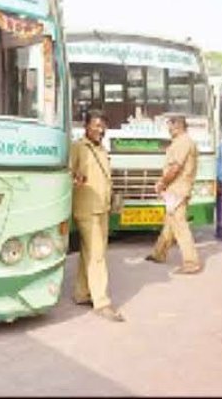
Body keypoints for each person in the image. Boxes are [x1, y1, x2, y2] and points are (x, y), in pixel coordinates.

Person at [69, 109, 125, 322]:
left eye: (102, 126)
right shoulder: (78, 147)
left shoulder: (102, 149)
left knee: (90, 252)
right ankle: (102, 302)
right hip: (86, 208)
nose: (99, 130)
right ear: (86, 127)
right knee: (97, 255)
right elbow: (67, 171)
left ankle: (82, 293)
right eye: (95, 126)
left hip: (102, 208)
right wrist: (75, 178)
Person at [146, 115, 202, 274]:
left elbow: (175, 168)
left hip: (177, 189)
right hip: (178, 188)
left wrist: (162, 183)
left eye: (170, 126)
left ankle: (191, 262)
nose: (169, 130)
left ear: (177, 126)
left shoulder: (183, 142)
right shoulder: (183, 141)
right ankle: (159, 253)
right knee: (170, 223)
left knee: (180, 225)